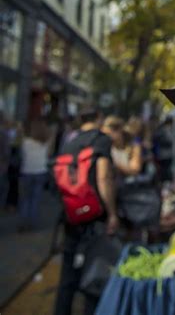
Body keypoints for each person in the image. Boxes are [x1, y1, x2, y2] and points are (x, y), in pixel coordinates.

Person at [53, 110, 118, 315]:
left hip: (71, 213)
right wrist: (112, 213)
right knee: (95, 273)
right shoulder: (100, 140)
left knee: (68, 274)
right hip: (95, 214)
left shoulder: (70, 141)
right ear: (98, 119)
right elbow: (104, 176)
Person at [18, 120, 51, 231]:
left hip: (27, 171)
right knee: (35, 199)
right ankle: (32, 222)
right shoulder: (45, 143)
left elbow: (21, 155)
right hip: (41, 171)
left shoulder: (26, 142)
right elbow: (49, 154)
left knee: (26, 199)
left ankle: (24, 222)